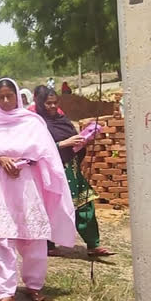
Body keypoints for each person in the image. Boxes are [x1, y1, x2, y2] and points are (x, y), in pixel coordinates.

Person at [0, 79, 76, 301]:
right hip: (1, 186)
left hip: (27, 183)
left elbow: (47, 154)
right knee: (0, 237)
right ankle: (5, 292)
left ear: (18, 97)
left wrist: (27, 164)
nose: (6, 101)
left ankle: (33, 284)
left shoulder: (32, 122)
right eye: (1, 97)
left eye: (10, 95)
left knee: (33, 235)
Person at [34, 86, 113, 257]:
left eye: (55, 103)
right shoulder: (36, 125)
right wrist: (64, 143)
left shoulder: (63, 119)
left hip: (72, 170)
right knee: (52, 208)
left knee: (85, 203)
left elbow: (73, 142)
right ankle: (48, 244)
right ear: (40, 104)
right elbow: (36, 151)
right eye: (48, 103)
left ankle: (93, 244)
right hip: (52, 173)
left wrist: (83, 141)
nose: (53, 107)